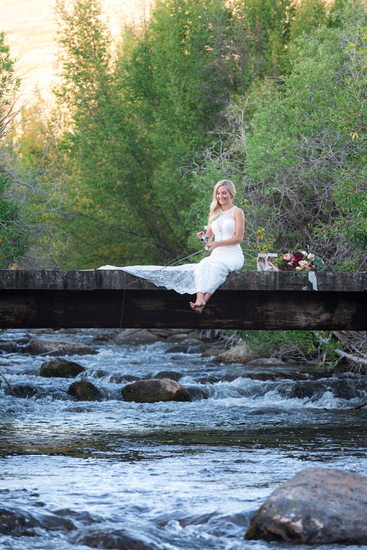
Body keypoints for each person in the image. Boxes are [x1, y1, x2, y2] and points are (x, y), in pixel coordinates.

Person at [99, 179, 244, 313]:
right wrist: (203, 238)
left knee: (217, 268)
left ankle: (203, 302)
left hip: (232, 255)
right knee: (203, 265)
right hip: (216, 255)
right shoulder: (214, 213)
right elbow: (208, 240)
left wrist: (216, 243)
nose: (220, 196)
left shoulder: (237, 212)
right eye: (218, 193)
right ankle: (199, 299)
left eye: (223, 193)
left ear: (231, 193)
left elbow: (238, 238)